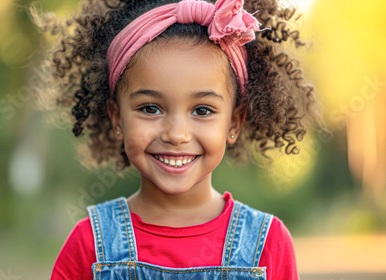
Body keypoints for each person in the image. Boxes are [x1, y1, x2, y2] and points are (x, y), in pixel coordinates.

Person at [34, 0, 328, 279]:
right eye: (150, 108)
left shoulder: (267, 243)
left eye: (202, 110)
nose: (176, 135)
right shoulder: (89, 245)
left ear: (234, 123)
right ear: (117, 118)